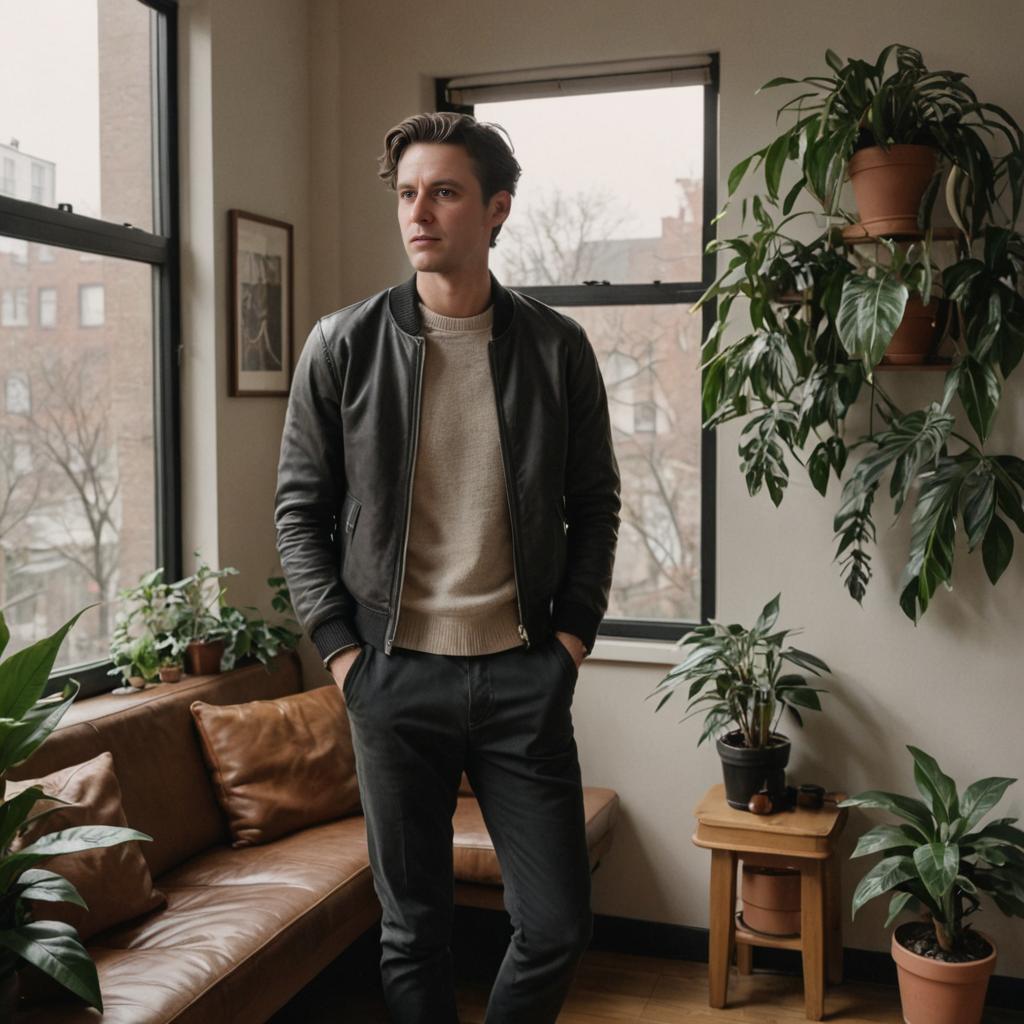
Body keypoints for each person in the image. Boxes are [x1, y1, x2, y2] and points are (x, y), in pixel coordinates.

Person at [274, 110, 620, 1024]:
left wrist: (571, 644)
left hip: (521, 678)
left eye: (445, 192)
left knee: (555, 925)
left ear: (497, 209)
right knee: (412, 930)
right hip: (393, 678)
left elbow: (596, 506)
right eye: (407, 194)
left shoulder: (555, 350)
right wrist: (346, 657)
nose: (418, 212)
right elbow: (299, 512)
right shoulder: (341, 346)